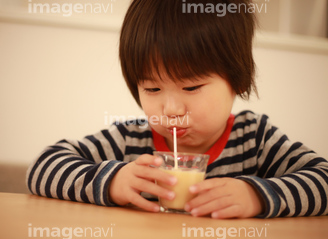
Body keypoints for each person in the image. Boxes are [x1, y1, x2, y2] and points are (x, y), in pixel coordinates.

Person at [26, 0, 328, 219]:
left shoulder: (255, 139)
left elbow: (323, 179)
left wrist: (257, 196)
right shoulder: (130, 139)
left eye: (191, 87)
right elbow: (42, 166)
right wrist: (112, 181)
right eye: (153, 89)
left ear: (237, 80)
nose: (170, 109)